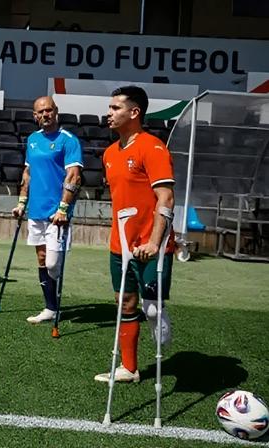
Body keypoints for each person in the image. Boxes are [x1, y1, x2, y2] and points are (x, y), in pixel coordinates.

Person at [94, 85, 175, 383]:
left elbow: (165, 198)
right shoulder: (109, 153)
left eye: (116, 108)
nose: (109, 113)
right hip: (121, 245)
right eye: (110, 107)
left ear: (134, 112)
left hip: (154, 244)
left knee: (151, 309)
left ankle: (158, 316)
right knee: (125, 303)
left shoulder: (153, 148)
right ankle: (129, 368)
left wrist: (154, 242)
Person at [12, 96, 83, 324]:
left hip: (57, 214)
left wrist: (63, 208)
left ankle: (54, 297)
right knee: (42, 259)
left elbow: (74, 176)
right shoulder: (32, 140)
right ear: (35, 116)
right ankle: (50, 308)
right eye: (40, 112)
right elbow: (28, 174)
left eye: (49, 110)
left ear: (56, 112)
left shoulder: (68, 141)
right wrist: (21, 203)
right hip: (36, 210)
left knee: (52, 264)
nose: (45, 115)